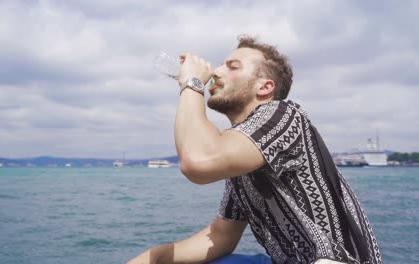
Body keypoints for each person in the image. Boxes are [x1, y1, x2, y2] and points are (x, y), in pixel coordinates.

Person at [128, 35, 383, 264]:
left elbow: (198, 161)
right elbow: (221, 237)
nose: (217, 71)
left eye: (232, 66)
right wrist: (157, 257)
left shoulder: (284, 116)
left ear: (265, 87)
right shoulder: (240, 156)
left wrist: (192, 84)